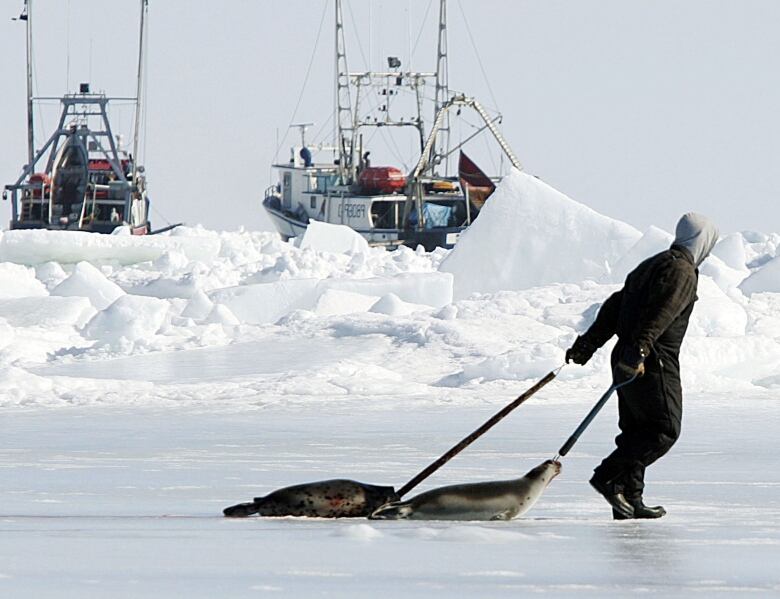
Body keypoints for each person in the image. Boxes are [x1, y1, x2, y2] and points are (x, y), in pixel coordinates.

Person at [565, 213, 718, 520]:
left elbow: (614, 305)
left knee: (637, 428)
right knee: (664, 429)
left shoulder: (654, 263)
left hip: (630, 353)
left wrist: (589, 343)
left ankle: (629, 498)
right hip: (652, 359)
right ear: (703, 242)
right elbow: (662, 313)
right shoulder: (681, 270)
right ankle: (610, 476)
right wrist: (640, 351)